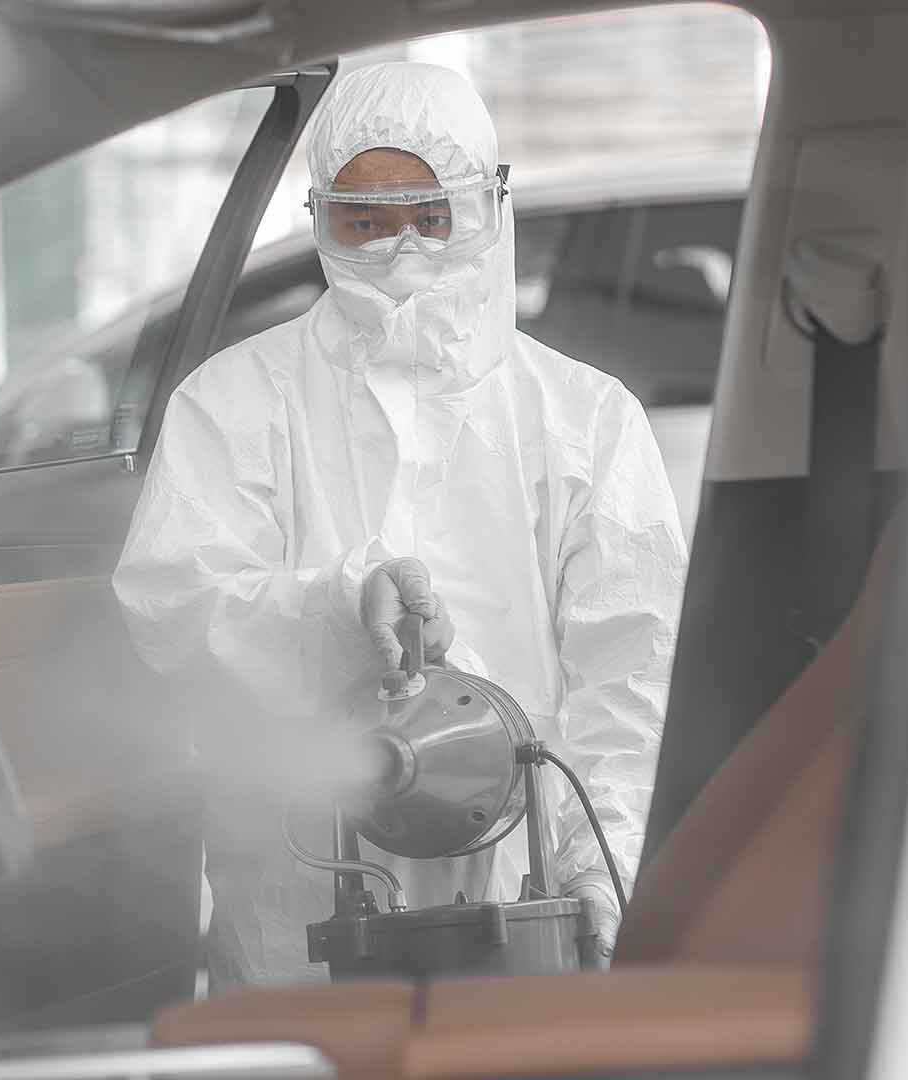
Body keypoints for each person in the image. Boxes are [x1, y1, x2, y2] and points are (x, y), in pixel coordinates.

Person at [112, 61, 687, 988]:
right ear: (318, 214)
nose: (402, 250)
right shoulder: (235, 401)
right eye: (365, 221)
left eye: (431, 215)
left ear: (490, 205)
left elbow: (633, 673)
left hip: (523, 881)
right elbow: (176, 603)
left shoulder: (585, 419)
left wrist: (601, 859)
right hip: (301, 885)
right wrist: (337, 607)